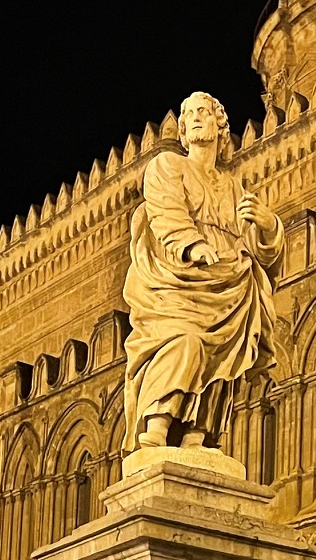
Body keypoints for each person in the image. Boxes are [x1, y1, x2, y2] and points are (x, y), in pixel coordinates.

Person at [121, 90, 283, 451]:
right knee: (185, 339)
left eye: (203, 112)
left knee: (226, 354)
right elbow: (164, 212)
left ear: (219, 126)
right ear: (180, 130)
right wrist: (192, 245)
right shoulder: (168, 166)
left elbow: (259, 253)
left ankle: (199, 432)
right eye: (188, 114)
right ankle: (158, 423)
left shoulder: (234, 187)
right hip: (179, 281)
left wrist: (270, 226)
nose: (195, 118)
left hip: (228, 286)